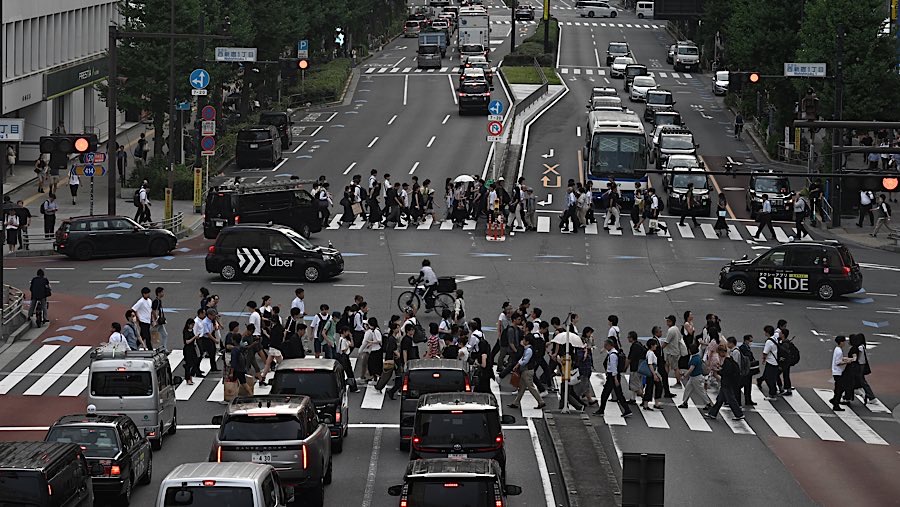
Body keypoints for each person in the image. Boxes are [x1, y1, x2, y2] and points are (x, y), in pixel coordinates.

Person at [704, 345, 745, 421]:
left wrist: (718, 371)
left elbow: (726, 372)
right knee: (720, 399)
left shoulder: (727, 360)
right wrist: (721, 367)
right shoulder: (730, 360)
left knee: (731, 399)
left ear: (723, 352)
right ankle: (712, 413)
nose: (719, 355)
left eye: (719, 353)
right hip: (728, 382)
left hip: (727, 383)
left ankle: (739, 414)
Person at [594, 338, 633, 417]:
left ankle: (602, 410)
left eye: (605, 345)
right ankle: (627, 410)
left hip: (612, 376)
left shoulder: (612, 355)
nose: (605, 347)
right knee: (617, 394)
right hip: (613, 376)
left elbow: (613, 367)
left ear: (609, 345)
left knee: (606, 394)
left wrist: (615, 378)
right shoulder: (614, 353)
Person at [508, 335, 546, 410]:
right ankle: (515, 403)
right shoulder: (527, 349)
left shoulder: (529, 350)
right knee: (521, 388)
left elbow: (525, 360)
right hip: (526, 371)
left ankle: (541, 402)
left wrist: (518, 364)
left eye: (524, 340)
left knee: (531, 387)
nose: (522, 341)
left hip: (527, 371)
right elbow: (523, 358)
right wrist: (517, 364)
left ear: (527, 342)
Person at [678, 343, 712, 410]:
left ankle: (708, 403)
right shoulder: (697, 357)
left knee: (700, 391)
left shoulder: (694, 359)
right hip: (694, 377)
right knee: (688, 389)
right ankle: (685, 402)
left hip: (695, 378)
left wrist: (684, 375)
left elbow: (691, 369)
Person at [830, 335, 853, 411]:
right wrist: (847, 362)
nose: (844, 343)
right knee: (840, 389)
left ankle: (834, 400)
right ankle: (836, 404)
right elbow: (838, 362)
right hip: (838, 372)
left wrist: (845, 359)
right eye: (844, 342)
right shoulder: (839, 351)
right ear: (841, 342)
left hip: (835, 371)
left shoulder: (837, 349)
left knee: (838, 388)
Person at [641, 338, 663, 410]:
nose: (656, 346)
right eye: (655, 345)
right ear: (651, 345)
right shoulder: (650, 353)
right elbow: (650, 364)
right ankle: (647, 404)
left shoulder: (650, 352)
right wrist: (654, 375)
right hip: (651, 374)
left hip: (652, 373)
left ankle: (649, 403)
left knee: (654, 387)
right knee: (650, 388)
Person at [761, 325, 780, 400]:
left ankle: (772, 394)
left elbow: (765, 352)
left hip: (771, 362)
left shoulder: (769, 341)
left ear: (767, 332)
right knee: (770, 377)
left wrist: (763, 359)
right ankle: (773, 391)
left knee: (769, 378)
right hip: (775, 361)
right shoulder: (775, 337)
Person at [182, 318, 202, 384]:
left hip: (193, 348)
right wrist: (194, 337)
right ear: (188, 324)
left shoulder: (191, 330)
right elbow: (187, 342)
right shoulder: (185, 331)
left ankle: (190, 377)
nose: (193, 326)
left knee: (195, 362)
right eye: (192, 324)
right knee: (189, 364)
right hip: (188, 349)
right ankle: (188, 379)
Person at [151, 287, 168, 352]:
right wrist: (156, 320)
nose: (163, 293)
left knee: (165, 334)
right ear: (158, 293)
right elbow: (154, 311)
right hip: (157, 322)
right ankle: (151, 349)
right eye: (162, 292)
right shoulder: (156, 301)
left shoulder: (159, 301)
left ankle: (164, 348)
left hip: (160, 322)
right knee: (153, 336)